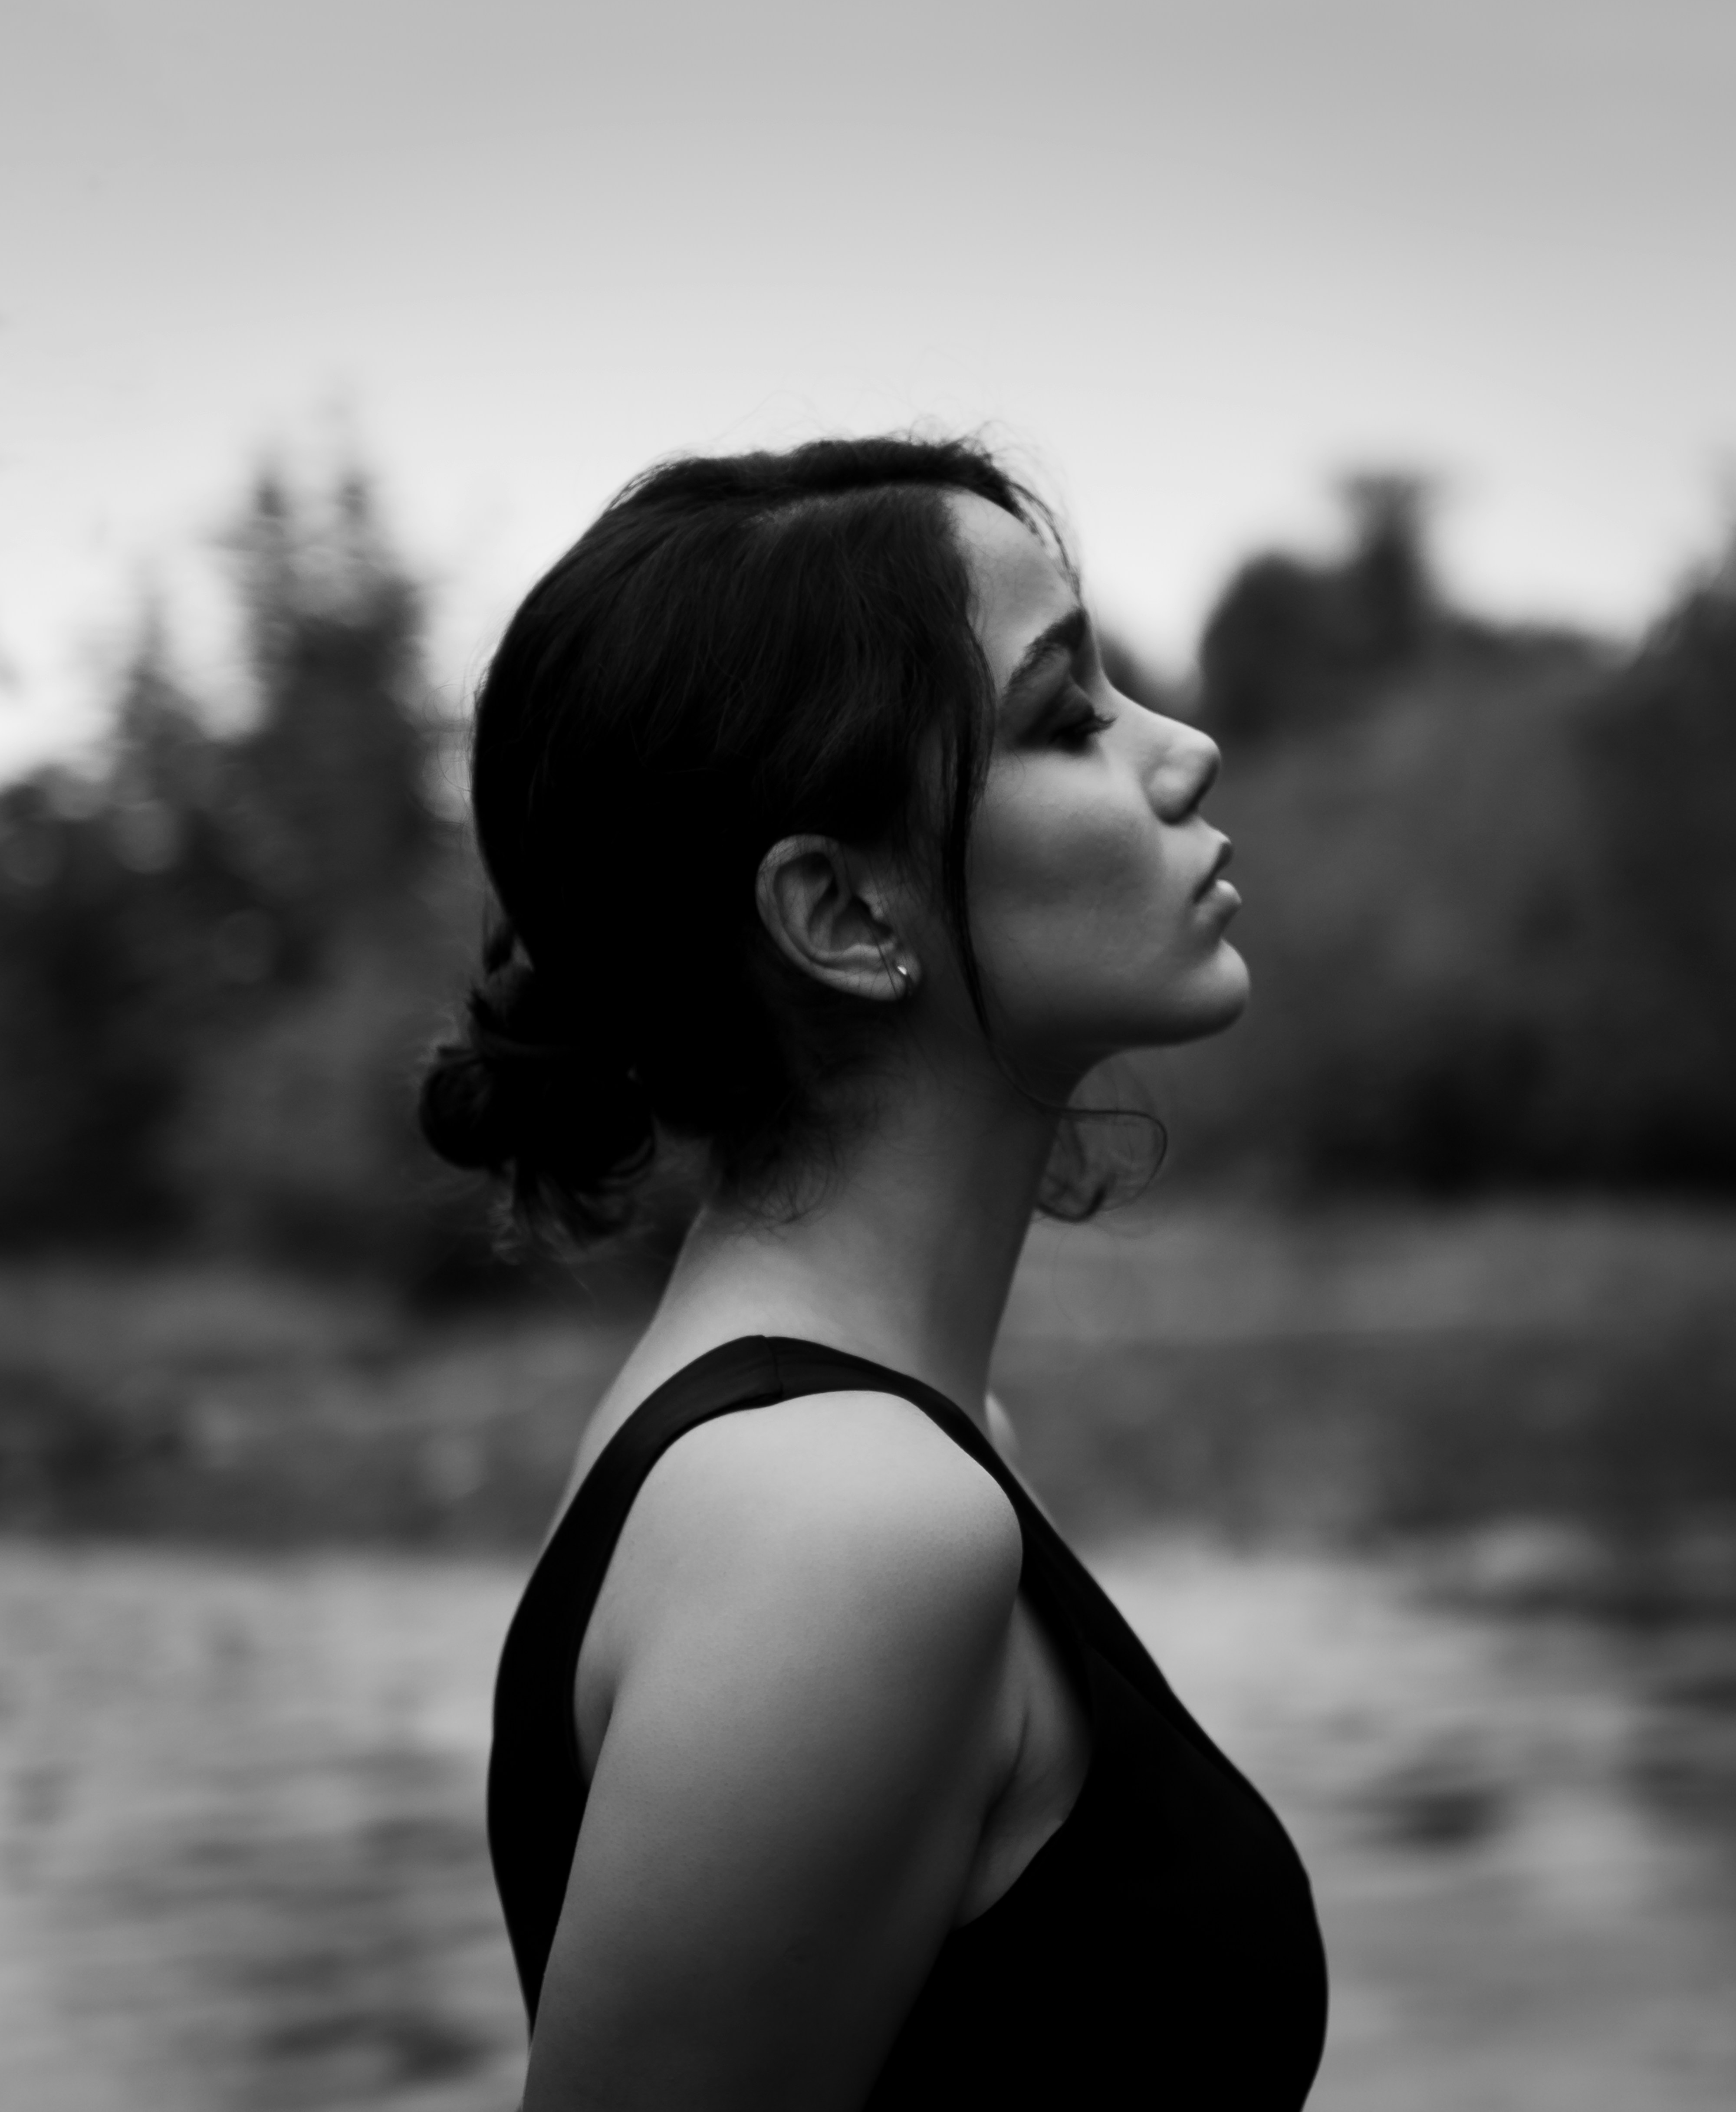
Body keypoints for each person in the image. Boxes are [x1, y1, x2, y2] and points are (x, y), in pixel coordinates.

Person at [421, 435, 1328, 2110]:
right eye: (1067, 719)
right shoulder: (843, 1525)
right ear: (841, 913)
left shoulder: (880, 1442)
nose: (1184, 754)